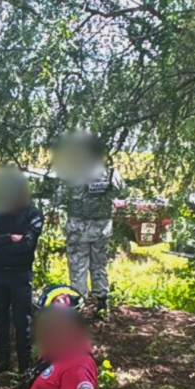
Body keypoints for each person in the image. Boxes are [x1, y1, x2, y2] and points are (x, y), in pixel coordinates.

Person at [52, 130, 126, 318]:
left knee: (78, 266)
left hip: (78, 229)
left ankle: (78, 305)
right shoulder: (111, 173)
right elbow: (121, 193)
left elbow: (58, 198)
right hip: (101, 228)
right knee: (99, 264)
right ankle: (102, 303)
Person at [0, 168, 45, 375]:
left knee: (22, 321)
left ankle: (25, 367)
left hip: (20, 275)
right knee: (0, 319)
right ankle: (2, 361)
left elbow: (26, 245)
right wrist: (9, 237)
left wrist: (0, 239)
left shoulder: (33, 214)